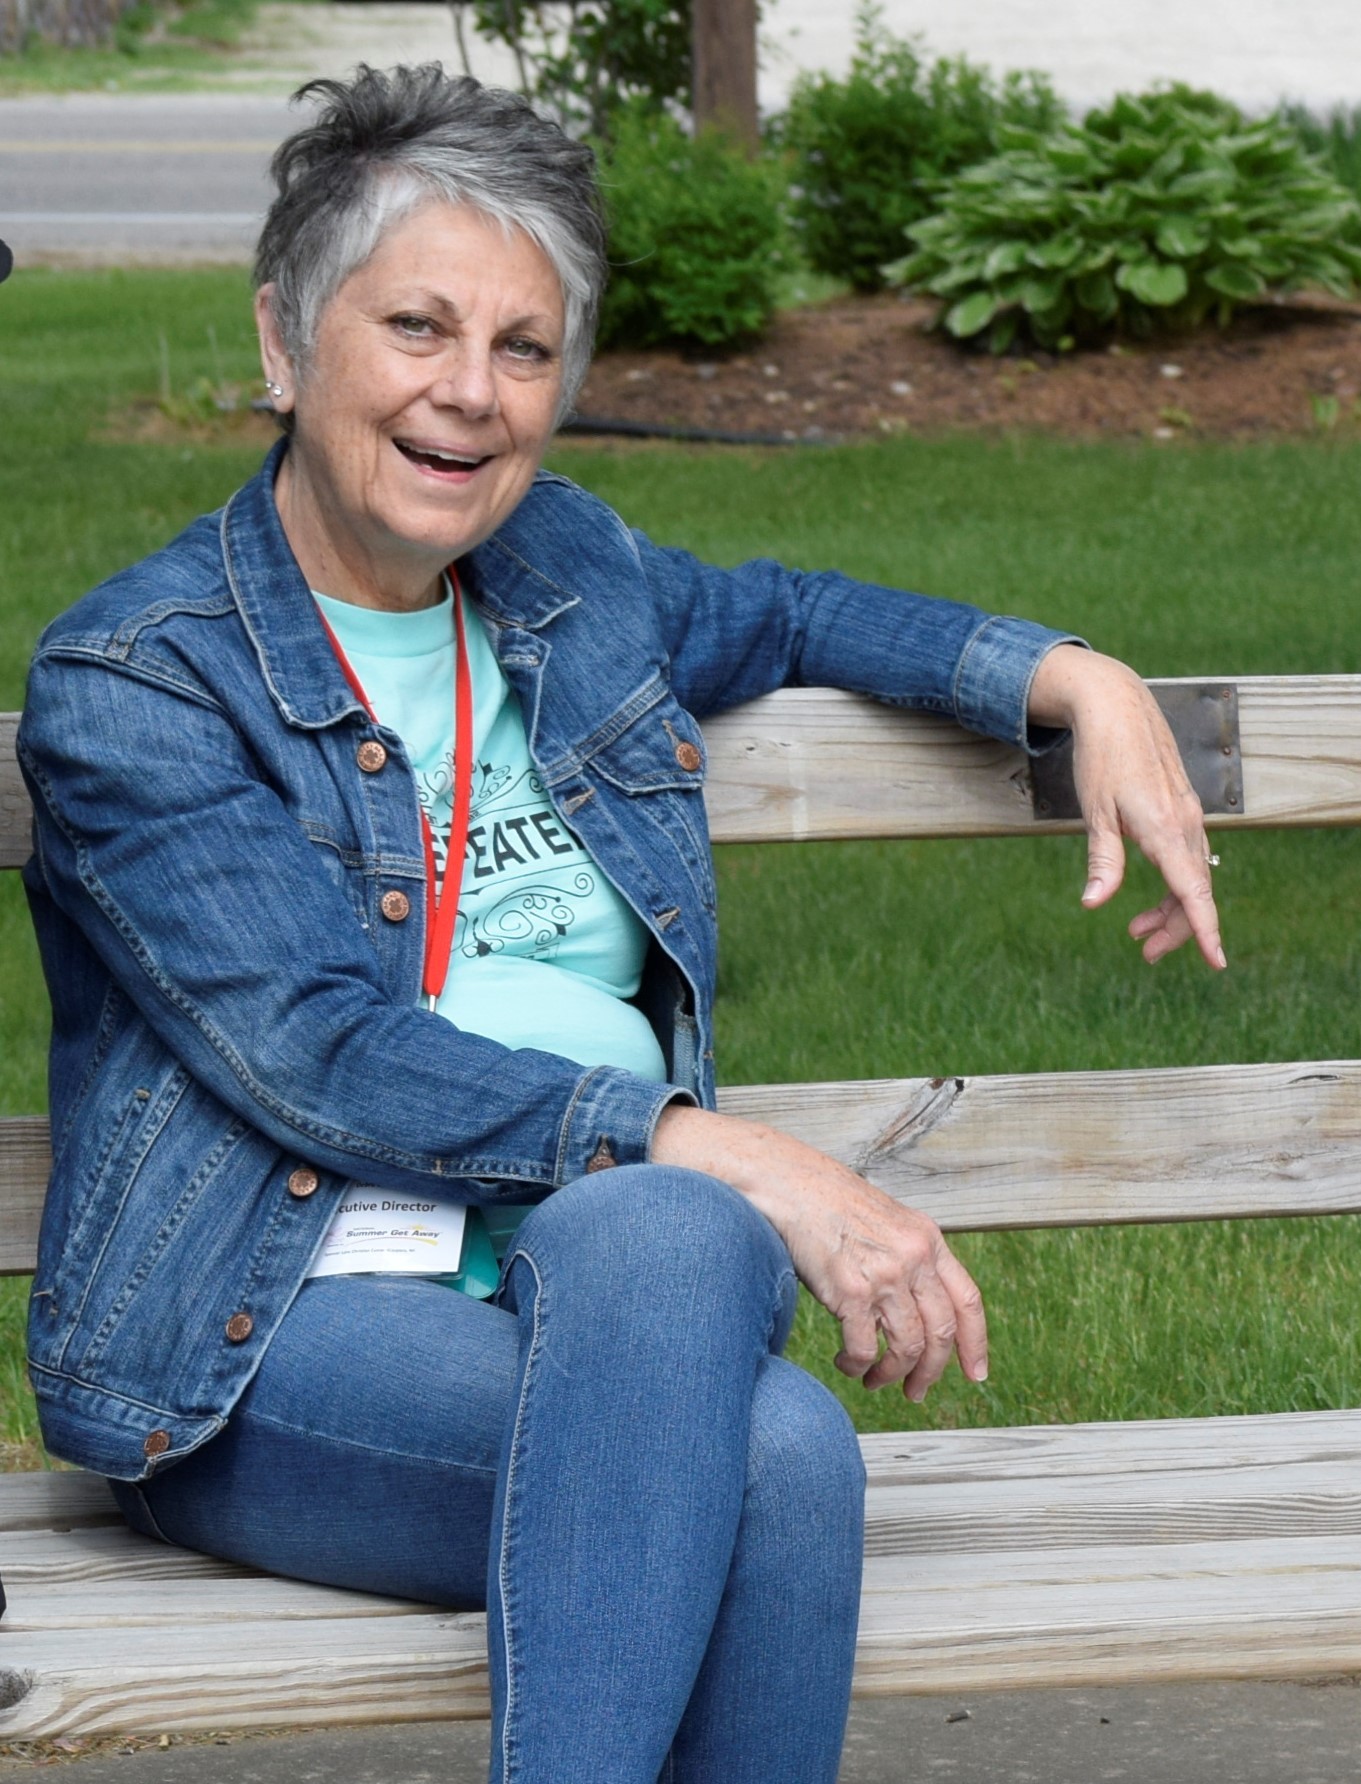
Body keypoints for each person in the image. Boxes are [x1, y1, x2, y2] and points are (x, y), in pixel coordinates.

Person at [19, 66, 1225, 1782]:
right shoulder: (140, 678)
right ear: (287, 346)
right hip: (265, 1338)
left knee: (695, 1286)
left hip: (590, 1306)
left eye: (525, 349)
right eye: (417, 327)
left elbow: (789, 612)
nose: (470, 395)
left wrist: (1066, 673)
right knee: (737, 1348)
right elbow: (314, 1053)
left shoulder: (563, 577)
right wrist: (742, 1158)